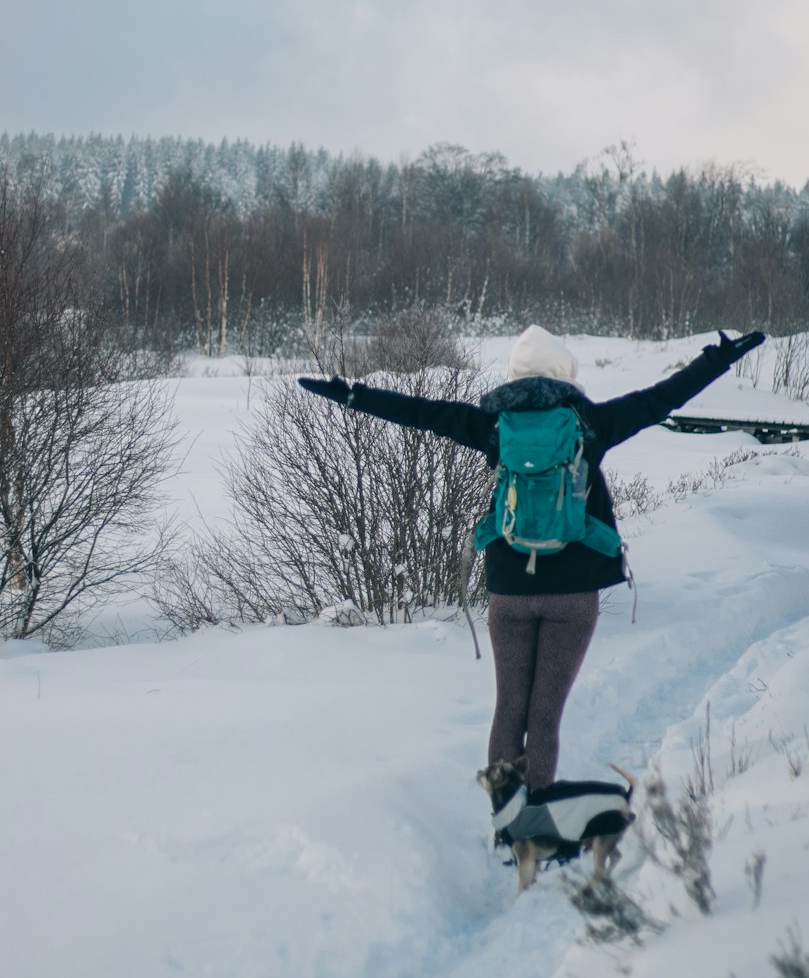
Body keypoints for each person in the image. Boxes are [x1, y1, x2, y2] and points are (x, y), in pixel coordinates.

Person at [299, 323, 763, 789]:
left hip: (509, 589)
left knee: (508, 710)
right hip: (574, 593)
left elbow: (420, 413)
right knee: (544, 719)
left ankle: (505, 822)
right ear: (565, 374)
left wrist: (351, 394)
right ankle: (533, 825)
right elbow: (662, 397)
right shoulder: (590, 424)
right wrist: (718, 358)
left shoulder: (494, 426)